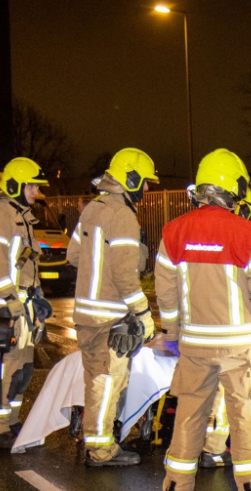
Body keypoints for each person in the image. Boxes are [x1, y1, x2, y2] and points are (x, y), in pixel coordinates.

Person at [155, 148, 251, 491]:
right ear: (233, 187)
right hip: (238, 347)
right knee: (245, 419)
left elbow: (165, 290)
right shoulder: (246, 233)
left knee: (189, 416)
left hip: (194, 345)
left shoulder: (174, 232)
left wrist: (173, 331)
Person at [68, 148, 158, 467]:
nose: (147, 189)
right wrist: (144, 315)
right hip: (109, 317)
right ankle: (101, 450)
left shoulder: (92, 209)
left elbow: (74, 256)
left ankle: (95, 441)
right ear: (131, 178)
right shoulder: (123, 216)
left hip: (85, 316)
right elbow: (124, 275)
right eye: (145, 182)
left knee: (96, 380)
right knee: (109, 381)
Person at [0, 157, 52, 451]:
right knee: (5, 367)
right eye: (31, 185)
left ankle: (9, 422)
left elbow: (27, 263)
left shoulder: (20, 215)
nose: (36, 191)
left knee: (22, 368)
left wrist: (38, 296)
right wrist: (10, 301)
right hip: (2, 305)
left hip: (20, 302)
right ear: (15, 184)